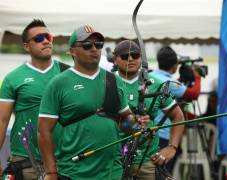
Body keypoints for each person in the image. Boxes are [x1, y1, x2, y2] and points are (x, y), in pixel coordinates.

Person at [38, 25, 149, 180]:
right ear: (72, 51)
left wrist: (136, 123)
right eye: (87, 45)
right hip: (73, 172)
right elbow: (43, 131)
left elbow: (126, 123)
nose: (94, 49)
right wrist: (50, 172)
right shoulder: (59, 83)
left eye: (98, 45)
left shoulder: (113, 80)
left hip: (112, 172)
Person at [0, 19, 66, 180]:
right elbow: (2, 120)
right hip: (26, 160)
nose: (45, 41)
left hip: (64, 160)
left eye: (48, 37)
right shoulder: (13, 78)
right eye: (38, 38)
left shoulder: (67, 74)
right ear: (26, 46)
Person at [113, 40, 185, 180]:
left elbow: (178, 116)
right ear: (115, 59)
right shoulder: (107, 83)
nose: (130, 59)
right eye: (124, 56)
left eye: (135, 55)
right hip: (113, 160)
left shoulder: (156, 84)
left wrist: (172, 147)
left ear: (141, 58)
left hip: (147, 161)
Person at [150, 46, 201, 171]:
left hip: (150, 132)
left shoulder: (151, 76)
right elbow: (193, 94)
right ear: (174, 66)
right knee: (163, 173)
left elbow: (174, 87)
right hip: (164, 136)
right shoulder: (171, 83)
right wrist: (198, 76)